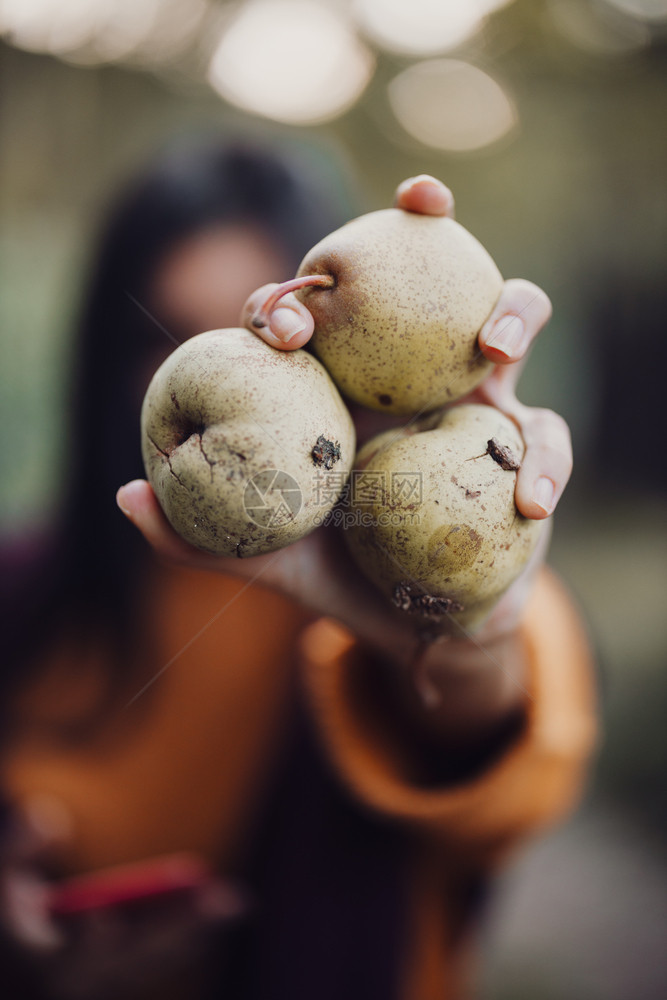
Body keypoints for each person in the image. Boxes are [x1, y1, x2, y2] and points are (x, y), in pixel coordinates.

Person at [0, 138, 597, 1000]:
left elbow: (512, 791)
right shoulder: (19, 597)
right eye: (159, 331)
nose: (212, 361)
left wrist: (454, 619)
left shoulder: (378, 572)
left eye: (258, 334)